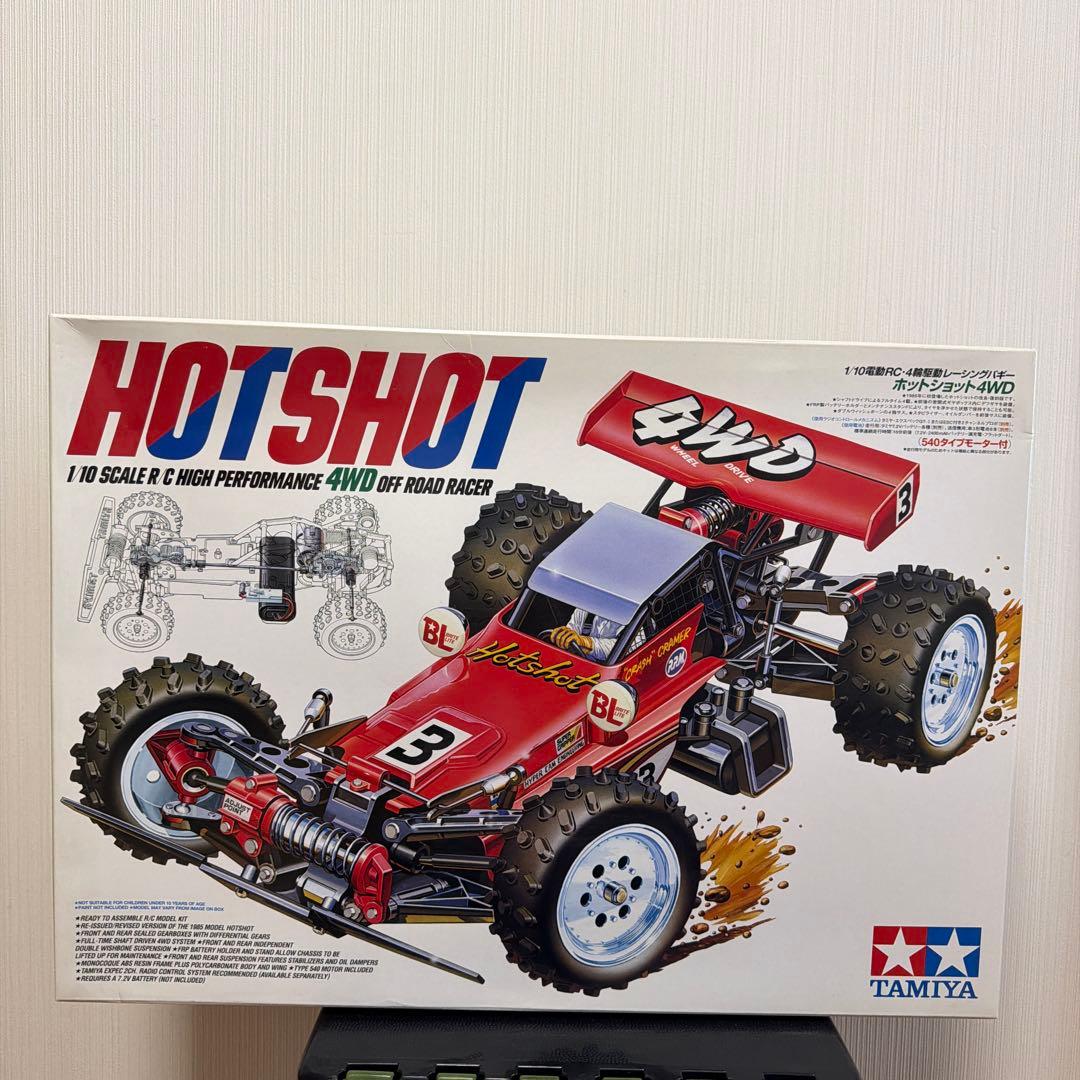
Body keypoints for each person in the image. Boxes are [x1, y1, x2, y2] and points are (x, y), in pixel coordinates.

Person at [546, 607, 626, 663]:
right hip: (577, 661)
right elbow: (573, 627)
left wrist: (584, 642)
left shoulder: (629, 613)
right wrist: (564, 635)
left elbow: (623, 649)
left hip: (605, 670)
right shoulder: (589, 601)